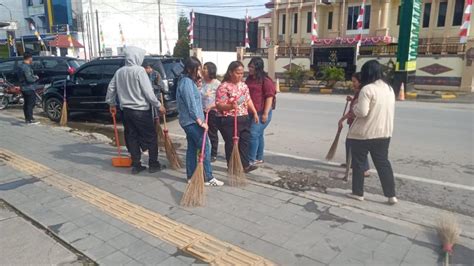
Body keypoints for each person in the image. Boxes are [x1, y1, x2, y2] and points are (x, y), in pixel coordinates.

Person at [106, 46, 166, 175]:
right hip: (141, 110)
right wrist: (158, 105)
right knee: (150, 137)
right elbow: (148, 92)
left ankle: (136, 164)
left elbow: (111, 88)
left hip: (126, 111)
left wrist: (111, 103)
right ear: (136, 57)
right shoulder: (139, 71)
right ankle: (153, 164)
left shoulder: (120, 72)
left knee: (131, 137)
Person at [346, 60, 398, 205]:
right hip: (384, 133)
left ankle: (358, 193)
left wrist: (354, 107)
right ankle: (391, 195)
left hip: (364, 134)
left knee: (358, 164)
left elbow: (362, 112)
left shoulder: (367, 89)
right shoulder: (389, 89)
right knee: (383, 164)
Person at [176, 56, 223, 186]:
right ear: (191, 69)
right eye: (198, 69)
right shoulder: (186, 82)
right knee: (205, 146)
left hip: (191, 121)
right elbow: (191, 105)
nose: (200, 71)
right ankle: (208, 177)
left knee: (192, 147)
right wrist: (200, 122)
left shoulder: (188, 82)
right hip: (191, 122)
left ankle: (191, 176)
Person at [216, 61, 259, 173]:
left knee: (245, 141)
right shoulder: (223, 87)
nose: (240, 75)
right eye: (237, 73)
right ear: (230, 72)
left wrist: (254, 112)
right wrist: (229, 106)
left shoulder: (243, 86)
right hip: (229, 119)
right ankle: (232, 165)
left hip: (243, 117)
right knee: (231, 144)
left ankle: (245, 165)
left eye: (241, 73)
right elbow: (219, 104)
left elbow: (248, 99)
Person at [339, 73, 370, 179]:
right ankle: (350, 163)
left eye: (354, 81)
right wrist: (351, 99)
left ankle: (365, 169)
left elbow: (355, 111)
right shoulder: (358, 92)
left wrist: (342, 119)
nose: (353, 84)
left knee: (357, 145)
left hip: (358, 123)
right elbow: (355, 103)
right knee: (350, 144)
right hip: (353, 123)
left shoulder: (363, 92)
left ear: (360, 82)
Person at [245, 57, 276, 166]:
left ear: (258, 68)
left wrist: (265, 114)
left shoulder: (265, 80)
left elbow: (269, 97)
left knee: (253, 134)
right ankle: (259, 157)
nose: (250, 68)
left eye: (252, 67)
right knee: (258, 135)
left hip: (262, 112)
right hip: (251, 112)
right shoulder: (249, 79)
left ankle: (251, 159)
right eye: (249, 66)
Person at [200, 62, 221, 162]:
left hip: (212, 112)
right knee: (201, 132)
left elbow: (221, 100)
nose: (203, 70)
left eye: (205, 68)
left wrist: (211, 106)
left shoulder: (217, 84)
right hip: (201, 111)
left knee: (212, 132)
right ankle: (202, 151)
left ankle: (213, 153)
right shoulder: (201, 82)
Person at [17, 53, 39, 124]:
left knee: (26, 103)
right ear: (29, 58)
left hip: (23, 87)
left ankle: (27, 118)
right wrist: (35, 78)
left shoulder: (20, 66)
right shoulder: (26, 67)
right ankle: (30, 119)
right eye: (31, 58)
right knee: (31, 103)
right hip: (28, 88)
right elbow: (29, 79)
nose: (32, 59)